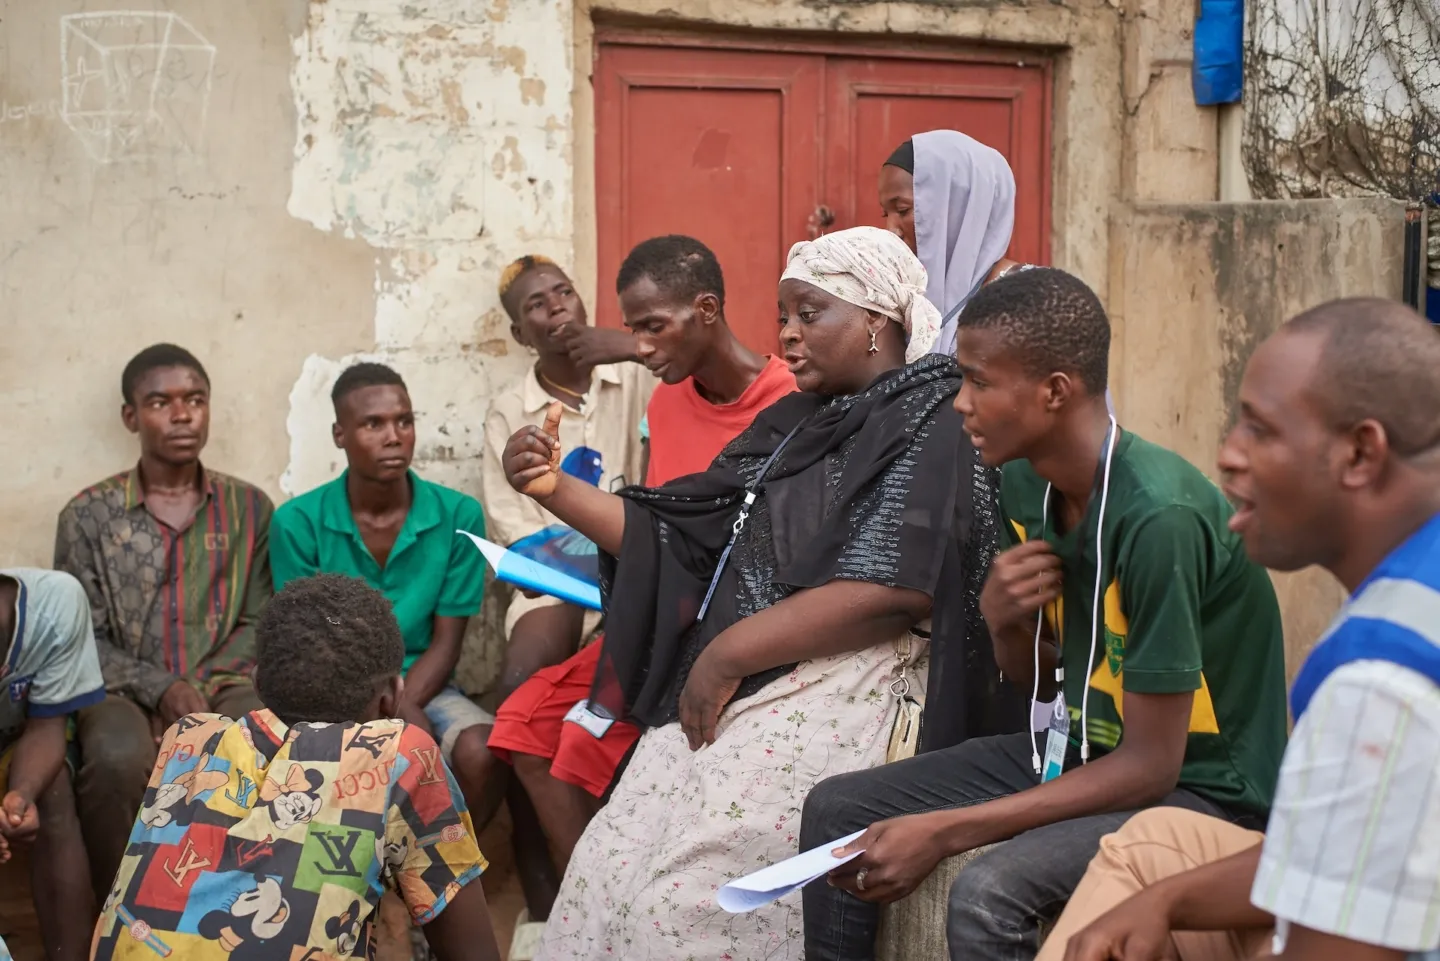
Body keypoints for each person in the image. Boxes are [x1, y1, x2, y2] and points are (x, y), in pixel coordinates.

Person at [501, 225, 1012, 961]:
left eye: (810, 313)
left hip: (849, 685)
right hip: (749, 680)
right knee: (605, 874)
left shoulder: (933, 414)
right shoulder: (793, 424)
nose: (788, 334)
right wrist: (551, 486)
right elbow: (678, 532)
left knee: (680, 908)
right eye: (784, 315)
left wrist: (729, 651)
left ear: (875, 318)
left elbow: (899, 586)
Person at [800, 267, 1290, 961]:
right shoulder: (1028, 480)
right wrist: (1006, 620)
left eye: (979, 381)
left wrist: (946, 829)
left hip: (1202, 788)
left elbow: (1152, 766)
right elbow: (1038, 679)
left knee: (989, 890)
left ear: (1054, 390)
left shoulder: (1159, 519)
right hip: (1080, 744)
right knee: (837, 810)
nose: (961, 404)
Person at [1040, 298, 1440, 961]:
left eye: (1259, 429)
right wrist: (1165, 899)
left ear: (1361, 452)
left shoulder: (1378, 683)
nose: (1228, 454)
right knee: (1152, 852)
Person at [487, 235, 796, 900]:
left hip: (739, 630)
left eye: (653, 330)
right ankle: (593, 910)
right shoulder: (666, 401)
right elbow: (659, 537)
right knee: (522, 723)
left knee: (575, 742)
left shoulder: (789, 401)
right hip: (658, 618)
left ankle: (626, 908)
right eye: (633, 332)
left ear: (707, 310)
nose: (643, 349)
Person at [89, 573, 501, 961]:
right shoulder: (399, 755)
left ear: (257, 684)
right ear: (391, 701)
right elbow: (471, 953)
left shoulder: (190, 739)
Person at [54, 343, 274, 901]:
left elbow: (258, 620)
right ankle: (124, 915)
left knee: (256, 738)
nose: (182, 415)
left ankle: (242, 914)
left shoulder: (250, 507)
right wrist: (162, 690)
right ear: (131, 417)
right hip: (118, 690)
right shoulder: (88, 515)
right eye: (160, 402)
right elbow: (85, 637)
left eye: (195, 400)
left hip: (226, 683)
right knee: (117, 759)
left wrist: (193, 692)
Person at [478, 255, 653, 926]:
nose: (558, 311)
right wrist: (595, 574)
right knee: (523, 685)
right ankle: (541, 876)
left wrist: (633, 345)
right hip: (555, 584)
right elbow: (517, 532)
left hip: (640, 572)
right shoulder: (509, 410)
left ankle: (612, 868)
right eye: (538, 307)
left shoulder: (635, 381)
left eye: (565, 294)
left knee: (610, 690)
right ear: (523, 335)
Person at [269, 363, 495, 823]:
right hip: (331, 692)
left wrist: (406, 704)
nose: (394, 436)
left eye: (404, 421)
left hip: (427, 683)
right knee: (354, 763)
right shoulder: (298, 522)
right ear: (340, 434)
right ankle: (364, 884)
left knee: (481, 750)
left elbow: (447, 643)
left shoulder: (458, 515)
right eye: (373, 424)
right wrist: (390, 714)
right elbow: (311, 646)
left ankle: (451, 881)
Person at [0, 568, 105, 961]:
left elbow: (46, 727)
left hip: (15, 739)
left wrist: (20, 795)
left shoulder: (56, 603)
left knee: (51, 788)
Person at [879, 130, 1020, 357]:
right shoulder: (898, 296)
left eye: (903, 210)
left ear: (958, 206)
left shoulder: (1030, 299)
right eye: (886, 214)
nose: (891, 231)